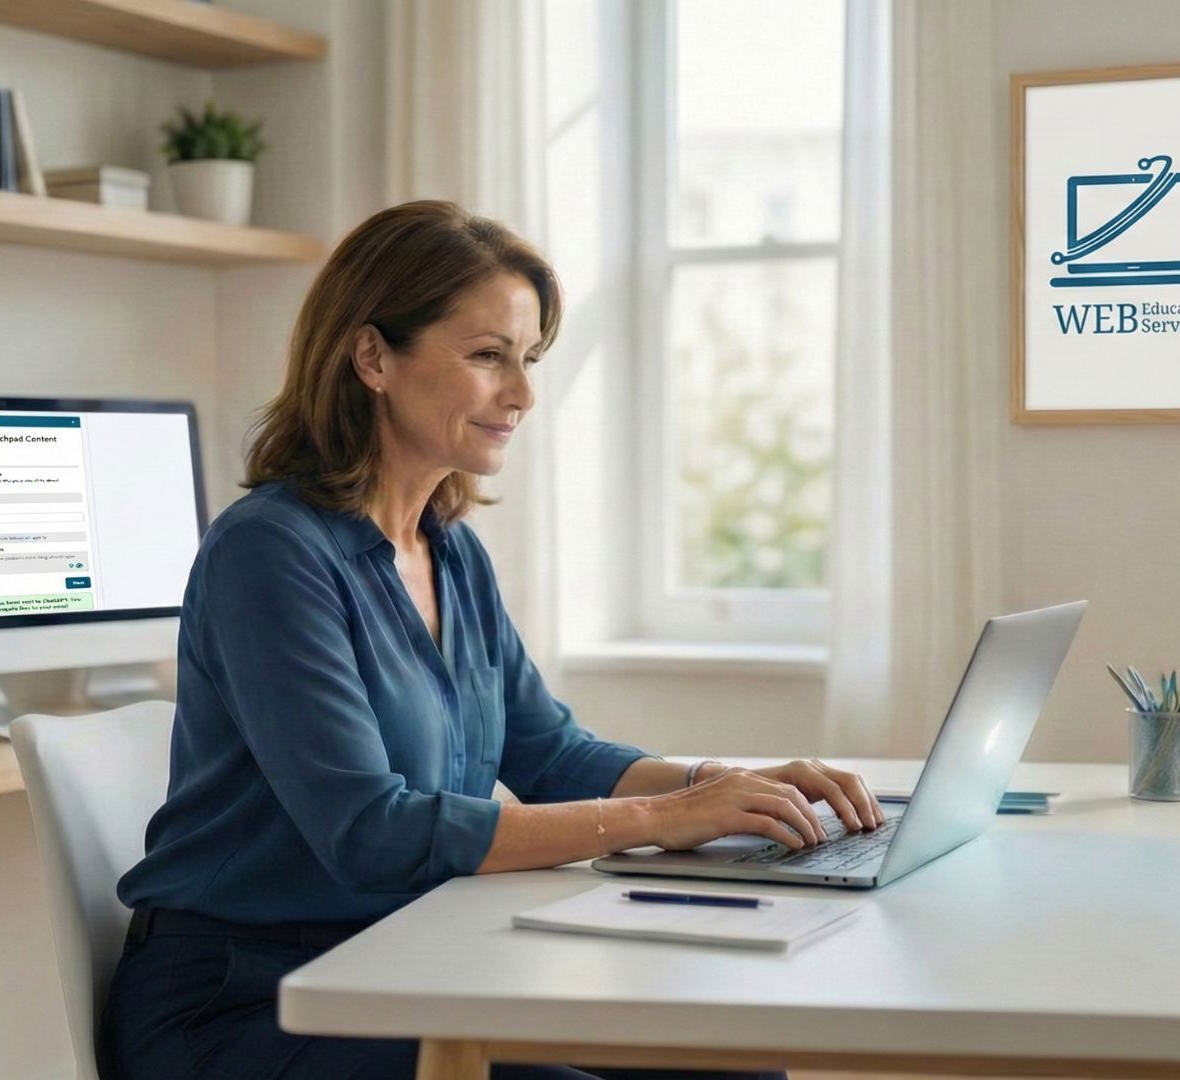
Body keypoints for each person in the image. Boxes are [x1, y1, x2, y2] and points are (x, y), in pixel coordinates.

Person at [99, 200, 886, 1080]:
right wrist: (666, 819)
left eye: (530, 359)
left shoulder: (450, 549)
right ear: (372, 357)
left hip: (411, 965)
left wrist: (722, 784)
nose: (522, 394)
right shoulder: (268, 552)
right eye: (487, 356)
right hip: (244, 1004)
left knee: (729, 1063)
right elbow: (371, 832)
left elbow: (547, 750)